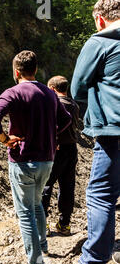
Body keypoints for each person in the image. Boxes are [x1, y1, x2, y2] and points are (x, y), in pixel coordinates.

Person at [0, 51, 72, 264]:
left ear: (16, 72)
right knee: (36, 205)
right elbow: (66, 120)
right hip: (47, 160)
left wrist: (5, 139)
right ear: (35, 69)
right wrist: (51, 136)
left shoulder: (12, 93)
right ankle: (42, 245)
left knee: (25, 212)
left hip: (23, 160)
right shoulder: (49, 93)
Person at [56, 0, 120, 264]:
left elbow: (78, 86)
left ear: (100, 19)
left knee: (100, 195)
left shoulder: (100, 42)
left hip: (113, 132)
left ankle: (93, 263)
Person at [41, 76, 80, 236]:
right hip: (71, 149)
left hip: (55, 149)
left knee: (45, 185)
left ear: (51, 88)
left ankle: (42, 224)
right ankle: (64, 224)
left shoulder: (53, 104)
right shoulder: (74, 105)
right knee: (67, 187)